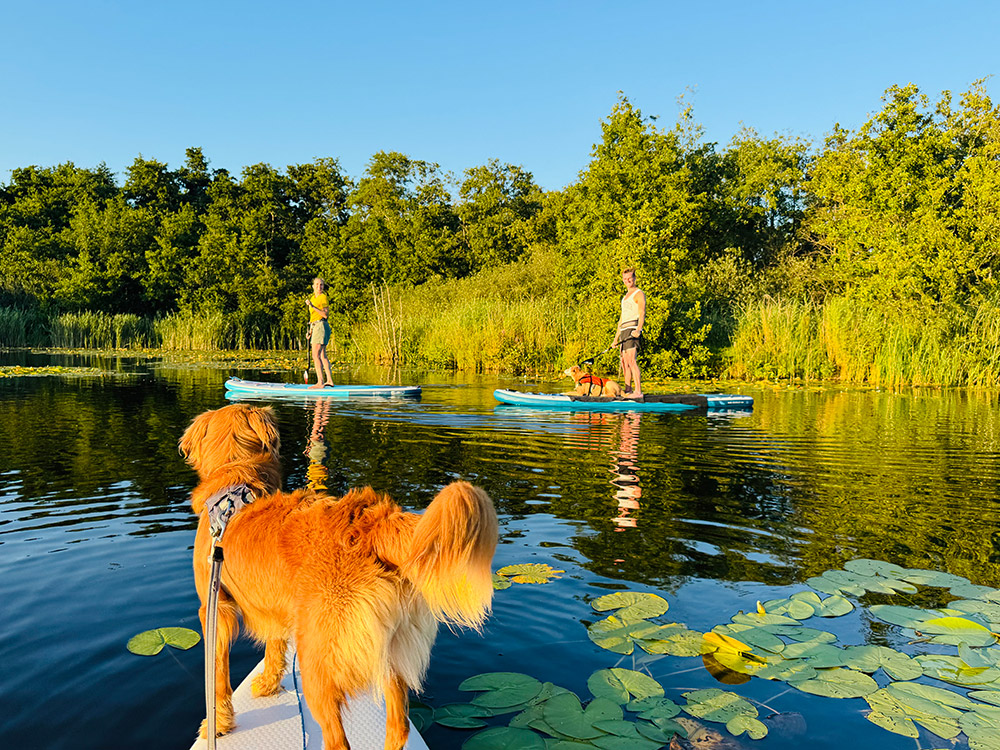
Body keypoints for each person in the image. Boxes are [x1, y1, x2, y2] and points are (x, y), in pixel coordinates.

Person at [614, 267, 645, 398]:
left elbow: (642, 312)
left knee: (632, 361)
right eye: (625, 279)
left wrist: (639, 329)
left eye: (630, 278)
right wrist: (615, 339)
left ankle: (638, 391)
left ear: (635, 278)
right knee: (624, 363)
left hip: (633, 329)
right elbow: (621, 319)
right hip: (623, 331)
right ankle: (628, 391)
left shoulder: (638, 293)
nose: (627, 281)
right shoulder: (625, 297)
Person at [307, 277, 335, 389]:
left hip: (321, 326)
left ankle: (320, 382)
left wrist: (312, 306)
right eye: (317, 285)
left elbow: (325, 315)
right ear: (313, 286)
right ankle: (329, 380)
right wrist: (310, 331)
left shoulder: (323, 297)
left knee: (315, 355)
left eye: (321, 285)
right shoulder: (313, 298)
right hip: (316, 326)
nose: (319, 287)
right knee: (322, 355)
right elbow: (313, 317)